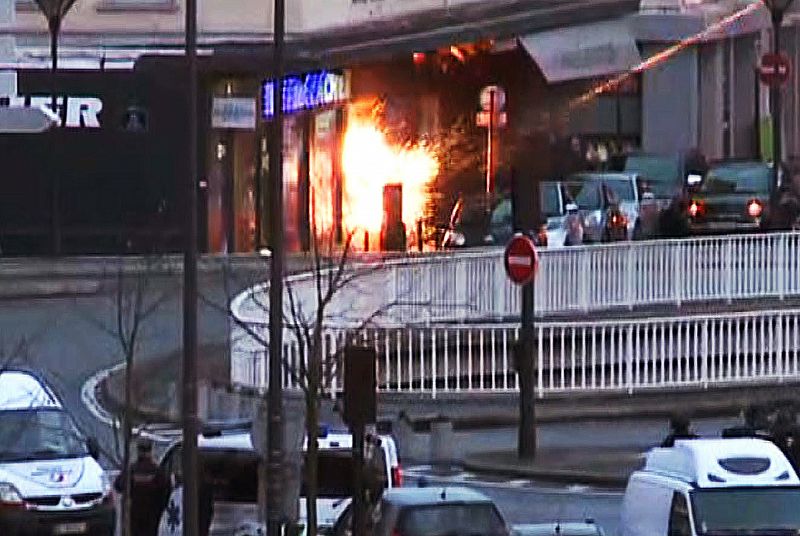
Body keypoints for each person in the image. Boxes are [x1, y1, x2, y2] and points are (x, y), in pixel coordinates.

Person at [115, 438, 170, 536]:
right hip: (152, 514)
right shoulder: (157, 471)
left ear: (138, 451)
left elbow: (118, 485)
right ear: (151, 451)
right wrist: (160, 507)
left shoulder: (131, 470)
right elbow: (166, 490)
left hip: (135, 513)